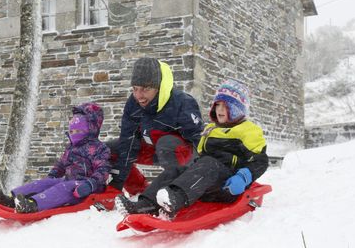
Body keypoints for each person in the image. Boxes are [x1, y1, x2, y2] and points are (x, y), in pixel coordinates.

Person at [115, 79, 269, 220]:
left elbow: (260, 160)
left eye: (226, 106)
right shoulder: (210, 129)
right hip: (204, 182)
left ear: (237, 109)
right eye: (217, 105)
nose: (220, 110)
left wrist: (243, 177)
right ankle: (143, 205)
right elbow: (200, 157)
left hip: (228, 185)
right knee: (175, 170)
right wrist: (185, 172)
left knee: (209, 164)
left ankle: (174, 199)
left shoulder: (249, 131)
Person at [0, 102, 111, 213]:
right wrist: (51, 178)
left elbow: (103, 170)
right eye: (72, 132)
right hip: (69, 180)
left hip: (86, 187)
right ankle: (12, 199)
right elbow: (60, 165)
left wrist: (90, 184)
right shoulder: (71, 148)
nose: (74, 135)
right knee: (44, 183)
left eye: (78, 131)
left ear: (90, 130)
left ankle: (33, 204)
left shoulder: (98, 148)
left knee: (62, 188)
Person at [107, 57, 205, 195]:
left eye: (145, 89)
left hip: (178, 153)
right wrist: (118, 180)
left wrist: (196, 180)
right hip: (150, 149)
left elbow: (198, 143)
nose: (138, 95)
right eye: (135, 89)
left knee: (166, 143)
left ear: (158, 87)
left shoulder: (182, 102)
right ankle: (139, 191)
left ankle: (175, 191)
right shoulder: (133, 103)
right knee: (108, 150)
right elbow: (128, 141)